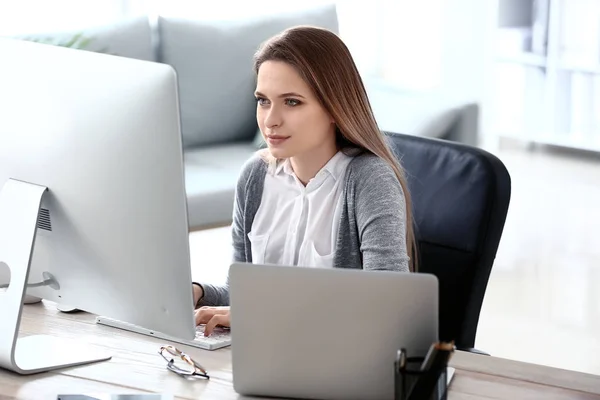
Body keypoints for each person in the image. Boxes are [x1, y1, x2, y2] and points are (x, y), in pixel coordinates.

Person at [193, 25, 417, 336]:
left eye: (292, 102)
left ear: (334, 107)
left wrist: (261, 314)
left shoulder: (369, 180)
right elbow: (241, 297)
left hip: (337, 362)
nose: (271, 120)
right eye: (263, 101)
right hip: (266, 351)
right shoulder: (255, 176)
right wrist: (198, 294)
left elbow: (388, 308)